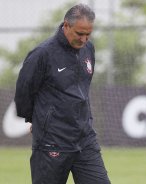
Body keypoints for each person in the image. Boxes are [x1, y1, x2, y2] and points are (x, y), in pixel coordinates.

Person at [14, 4, 111, 184]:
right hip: (53, 140)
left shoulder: (89, 49)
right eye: (79, 33)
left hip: (85, 139)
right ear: (66, 25)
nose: (84, 39)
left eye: (88, 34)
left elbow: (83, 88)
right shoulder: (42, 54)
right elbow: (24, 91)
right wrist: (34, 119)